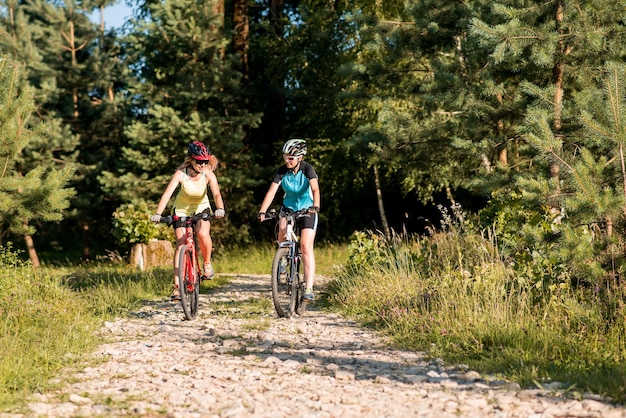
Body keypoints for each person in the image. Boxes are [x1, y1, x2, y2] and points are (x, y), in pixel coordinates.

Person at [151, 141, 225, 301]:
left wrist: (220, 208)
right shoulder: (180, 174)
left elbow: (217, 194)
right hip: (181, 210)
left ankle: (206, 264)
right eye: (199, 161)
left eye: (205, 161)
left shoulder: (208, 173)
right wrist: (158, 213)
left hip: (202, 208)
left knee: (202, 233)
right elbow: (167, 195)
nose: (203, 164)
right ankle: (177, 287)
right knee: (181, 244)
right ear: (191, 160)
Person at [258, 138, 320, 301]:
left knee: (306, 246)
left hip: (307, 209)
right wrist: (263, 211)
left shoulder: (308, 169)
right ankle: (283, 259)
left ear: (300, 157)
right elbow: (271, 192)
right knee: (282, 233)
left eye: (290, 158)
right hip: (289, 208)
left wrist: (316, 205)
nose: (287, 160)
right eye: (285, 156)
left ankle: (308, 287)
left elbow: (315, 188)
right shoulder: (281, 171)